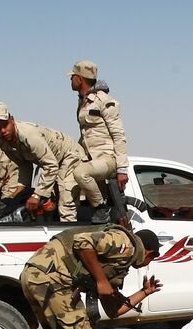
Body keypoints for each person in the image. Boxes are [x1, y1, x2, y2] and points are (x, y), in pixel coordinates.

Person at [20, 225, 163, 329]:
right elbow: (83, 241)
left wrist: (144, 292)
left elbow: (114, 311)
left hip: (36, 276)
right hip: (52, 277)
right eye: (151, 259)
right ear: (149, 253)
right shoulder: (127, 244)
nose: (147, 265)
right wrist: (101, 280)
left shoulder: (115, 263)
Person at [0, 102, 85, 223]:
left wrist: (37, 195)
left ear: (12, 120)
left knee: (66, 205)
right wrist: (19, 191)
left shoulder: (28, 136)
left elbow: (51, 165)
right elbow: (24, 165)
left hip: (69, 155)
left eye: (5, 125)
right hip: (54, 163)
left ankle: (70, 238)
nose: (3, 130)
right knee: (53, 203)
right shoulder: (3, 143)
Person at [68, 60, 129, 222]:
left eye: (72, 77)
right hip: (92, 159)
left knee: (80, 173)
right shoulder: (84, 100)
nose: (70, 80)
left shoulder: (104, 100)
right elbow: (86, 134)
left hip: (107, 158)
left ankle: (101, 209)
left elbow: (119, 135)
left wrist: (122, 169)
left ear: (80, 79)